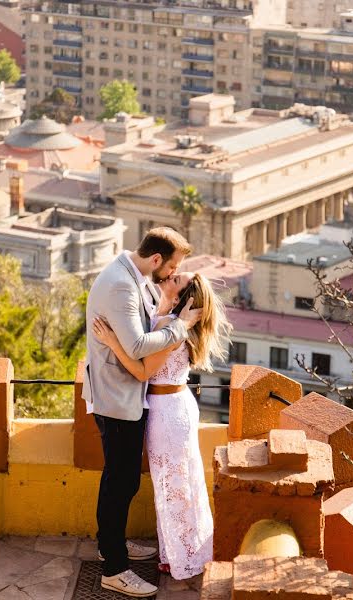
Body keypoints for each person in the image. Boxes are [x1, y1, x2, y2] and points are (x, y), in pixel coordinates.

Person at [83, 227, 202, 597]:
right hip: (118, 399)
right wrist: (181, 327)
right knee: (121, 483)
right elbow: (136, 346)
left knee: (120, 479)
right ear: (156, 260)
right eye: (173, 266)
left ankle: (110, 542)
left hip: (121, 396)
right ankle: (114, 568)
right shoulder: (122, 284)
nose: (171, 273)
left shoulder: (130, 275)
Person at [92, 271, 231, 582]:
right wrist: (166, 303)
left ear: (183, 297)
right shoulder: (169, 319)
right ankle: (181, 552)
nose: (170, 275)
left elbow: (143, 373)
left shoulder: (172, 327)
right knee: (181, 483)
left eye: (176, 279)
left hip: (166, 411)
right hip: (176, 405)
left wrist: (112, 341)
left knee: (172, 486)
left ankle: (181, 558)